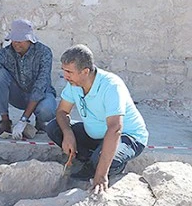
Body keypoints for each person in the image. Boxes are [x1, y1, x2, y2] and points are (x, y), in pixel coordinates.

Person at [46, 44, 148, 193]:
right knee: (54, 127)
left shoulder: (111, 86)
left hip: (127, 136)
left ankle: (108, 164)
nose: (65, 76)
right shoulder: (74, 83)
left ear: (85, 72)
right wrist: (68, 134)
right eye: (64, 71)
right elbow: (62, 112)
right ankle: (95, 158)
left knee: (102, 160)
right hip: (96, 134)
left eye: (69, 72)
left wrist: (101, 176)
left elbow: (115, 129)